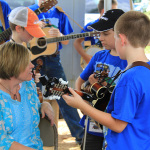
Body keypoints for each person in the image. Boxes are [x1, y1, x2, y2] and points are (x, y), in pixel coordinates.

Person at [63, 10, 150, 150]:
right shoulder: (146, 71)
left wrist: (82, 105)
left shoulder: (129, 79)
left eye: (114, 37)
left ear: (121, 39)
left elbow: (118, 125)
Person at [29, 0, 84, 144]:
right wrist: (33, 29)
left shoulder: (59, 12)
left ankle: (81, 137)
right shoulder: (30, 11)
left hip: (53, 60)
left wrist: (59, 33)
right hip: (32, 60)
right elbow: (18, 35)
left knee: (64, 96)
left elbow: (65, 41)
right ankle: (28, 137)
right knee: (29, 95)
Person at [75, 9, 127, 150]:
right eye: (99, 34)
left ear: (120, 34)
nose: (100, 38)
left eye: (105, 33)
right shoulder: (99, 56)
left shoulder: (129, 61)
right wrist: (83, 103)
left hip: (115, 124)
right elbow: (79, 81)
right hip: (93, 123)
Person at [0, 42, 54, 149]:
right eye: (27, 62)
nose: (32, 65)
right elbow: (2, 140)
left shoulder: (29, 86)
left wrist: (44, 105)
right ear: (13, 65)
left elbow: (32, 109)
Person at [73, 0, 118, 65]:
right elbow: (77, 42)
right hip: (96, 62)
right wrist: (86, 57)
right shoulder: (91, 26)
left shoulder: (115, 27)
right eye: (113, 11)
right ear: (103, 11)